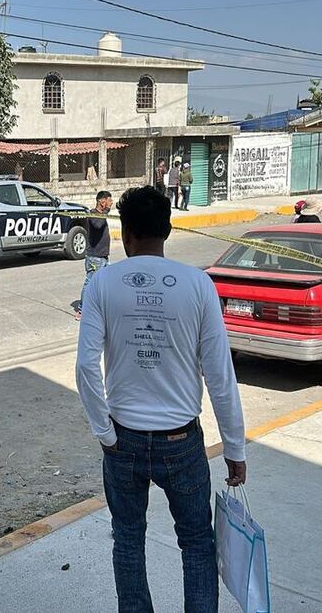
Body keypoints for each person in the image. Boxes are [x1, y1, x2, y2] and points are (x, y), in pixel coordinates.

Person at [75, 186, 246, 611]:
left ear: (125, 234)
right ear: (167, 230)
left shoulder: (102, 284)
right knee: (196, 544)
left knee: (129, 539)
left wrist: (105, 432)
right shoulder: (198, 285)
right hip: (182, 442)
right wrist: (235, 448)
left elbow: (84, 367)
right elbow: (220, 375)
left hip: (124, 440)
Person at [75, 190, 113, 321]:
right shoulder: (93, 214)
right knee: (90, 283)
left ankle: (99, 308)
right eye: (109, 200)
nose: (111, 203)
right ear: (102, 202)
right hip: (94, 257)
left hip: (103, 256)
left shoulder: (100, 214)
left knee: (104, 284)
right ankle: (82, 310)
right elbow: (98, 225)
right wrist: (106, 211)